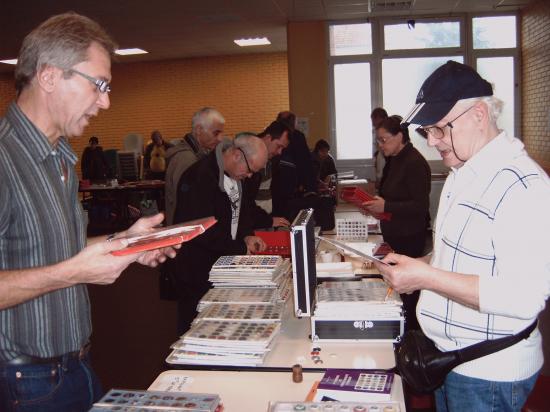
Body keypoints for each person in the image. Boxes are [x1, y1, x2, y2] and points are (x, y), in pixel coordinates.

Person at [0, 12, 178, 412]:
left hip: (76, 365)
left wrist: (123, 243)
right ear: (48, 76)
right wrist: (76, 271)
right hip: (24, 382)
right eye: (99, 85)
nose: (106, 101)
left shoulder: (61, 156)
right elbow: (67, 267)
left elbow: (54, 247)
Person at [375, 60, 550, 411]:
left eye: (441, 128)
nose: (434, 141)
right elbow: (457, 259)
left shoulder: (523, 186)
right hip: (451, 360)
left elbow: (524, 298)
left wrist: (427, 276)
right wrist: (418, 265)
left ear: (479, 114)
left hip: (489, 374)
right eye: (428, 132)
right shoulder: (462, 173)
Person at [171, 134, 268, 334]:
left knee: (221, 326)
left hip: (221, 265)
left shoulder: (235, 177)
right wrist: (240, 248)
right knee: (195, 329)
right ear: (235, 155)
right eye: (250, 170)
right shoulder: (200, 177)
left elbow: (241, 212)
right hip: (197, 270)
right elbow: (200, 231)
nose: (250, 176)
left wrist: (246, 235)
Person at [364, 115, 431, 332]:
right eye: (378, 141)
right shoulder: (394, 159)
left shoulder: (415, 163)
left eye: (384, 140)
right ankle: (398, 329)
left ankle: (411, 335)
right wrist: (376, 206)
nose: (381, 145)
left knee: (409, 293)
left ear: (399, 136)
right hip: (393, 233)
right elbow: (388, 196)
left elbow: (419, 207)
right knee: (396, 287)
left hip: (410, 237)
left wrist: (387, 207)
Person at [164, 107, 225, 225]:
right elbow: (187, 206)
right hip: (186, 233)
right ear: (198, 130)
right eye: (216, 133)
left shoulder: (199, 155)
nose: (220, 138)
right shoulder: (186, 159)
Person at [240, 120, 291, 233]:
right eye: (278, 146)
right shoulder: (249, 156)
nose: (279, 152)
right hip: (251, 225)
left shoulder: (271, 160)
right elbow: (245, 203)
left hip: (263, 219)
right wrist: (267, 220)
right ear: (268, 138)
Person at [371, 107, 389, 188]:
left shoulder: (387, 131)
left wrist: (379, 179)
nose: (373, 125)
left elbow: (382, 158)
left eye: (374, 121)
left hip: (386, 177)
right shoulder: (379, 131)